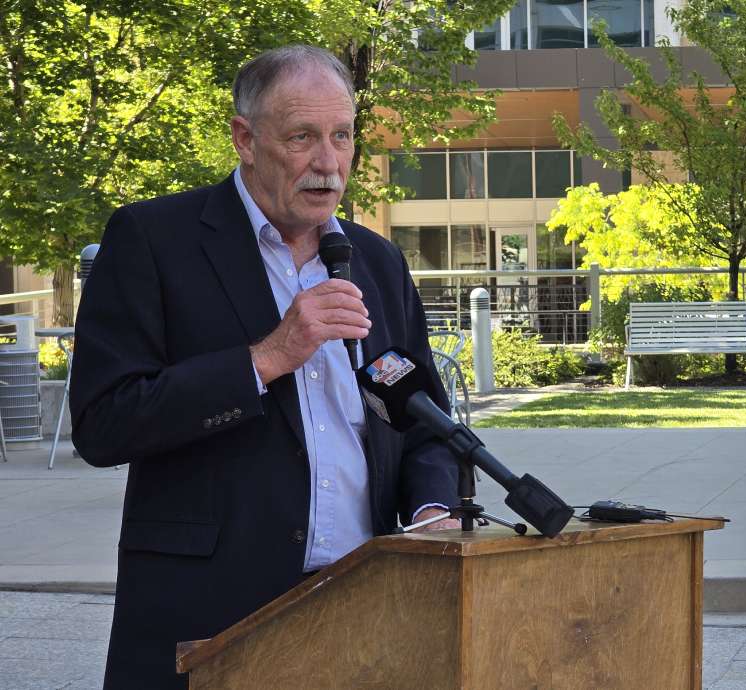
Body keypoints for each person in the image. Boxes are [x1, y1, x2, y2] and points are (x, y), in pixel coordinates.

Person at [70, 45, 461, 689]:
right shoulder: (152, 239)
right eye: (303, 137)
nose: (329, 163)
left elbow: (421, 417)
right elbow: (103, 422)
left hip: (361, 604)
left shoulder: (376, 261)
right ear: (244, 138)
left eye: (342, 136)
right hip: (212, 611)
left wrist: (429, 509)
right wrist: (268, 357)